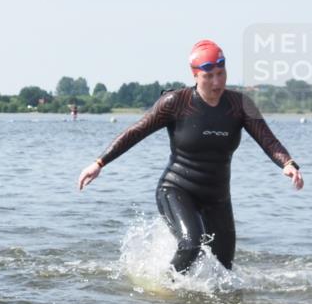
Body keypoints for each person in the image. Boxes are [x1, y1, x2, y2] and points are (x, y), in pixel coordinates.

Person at [78, 39, 303, 274]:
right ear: (195, 75)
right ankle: (166, 290)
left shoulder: (240, 105)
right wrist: (99, 162)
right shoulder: (176, 103)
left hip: (217, 198)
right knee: (191, 245)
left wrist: (287, 163)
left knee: (224, 268)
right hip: (176, 189)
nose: (217, 82)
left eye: (221, 73)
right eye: (209, 76)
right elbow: (136, 132)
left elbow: (267, 139)